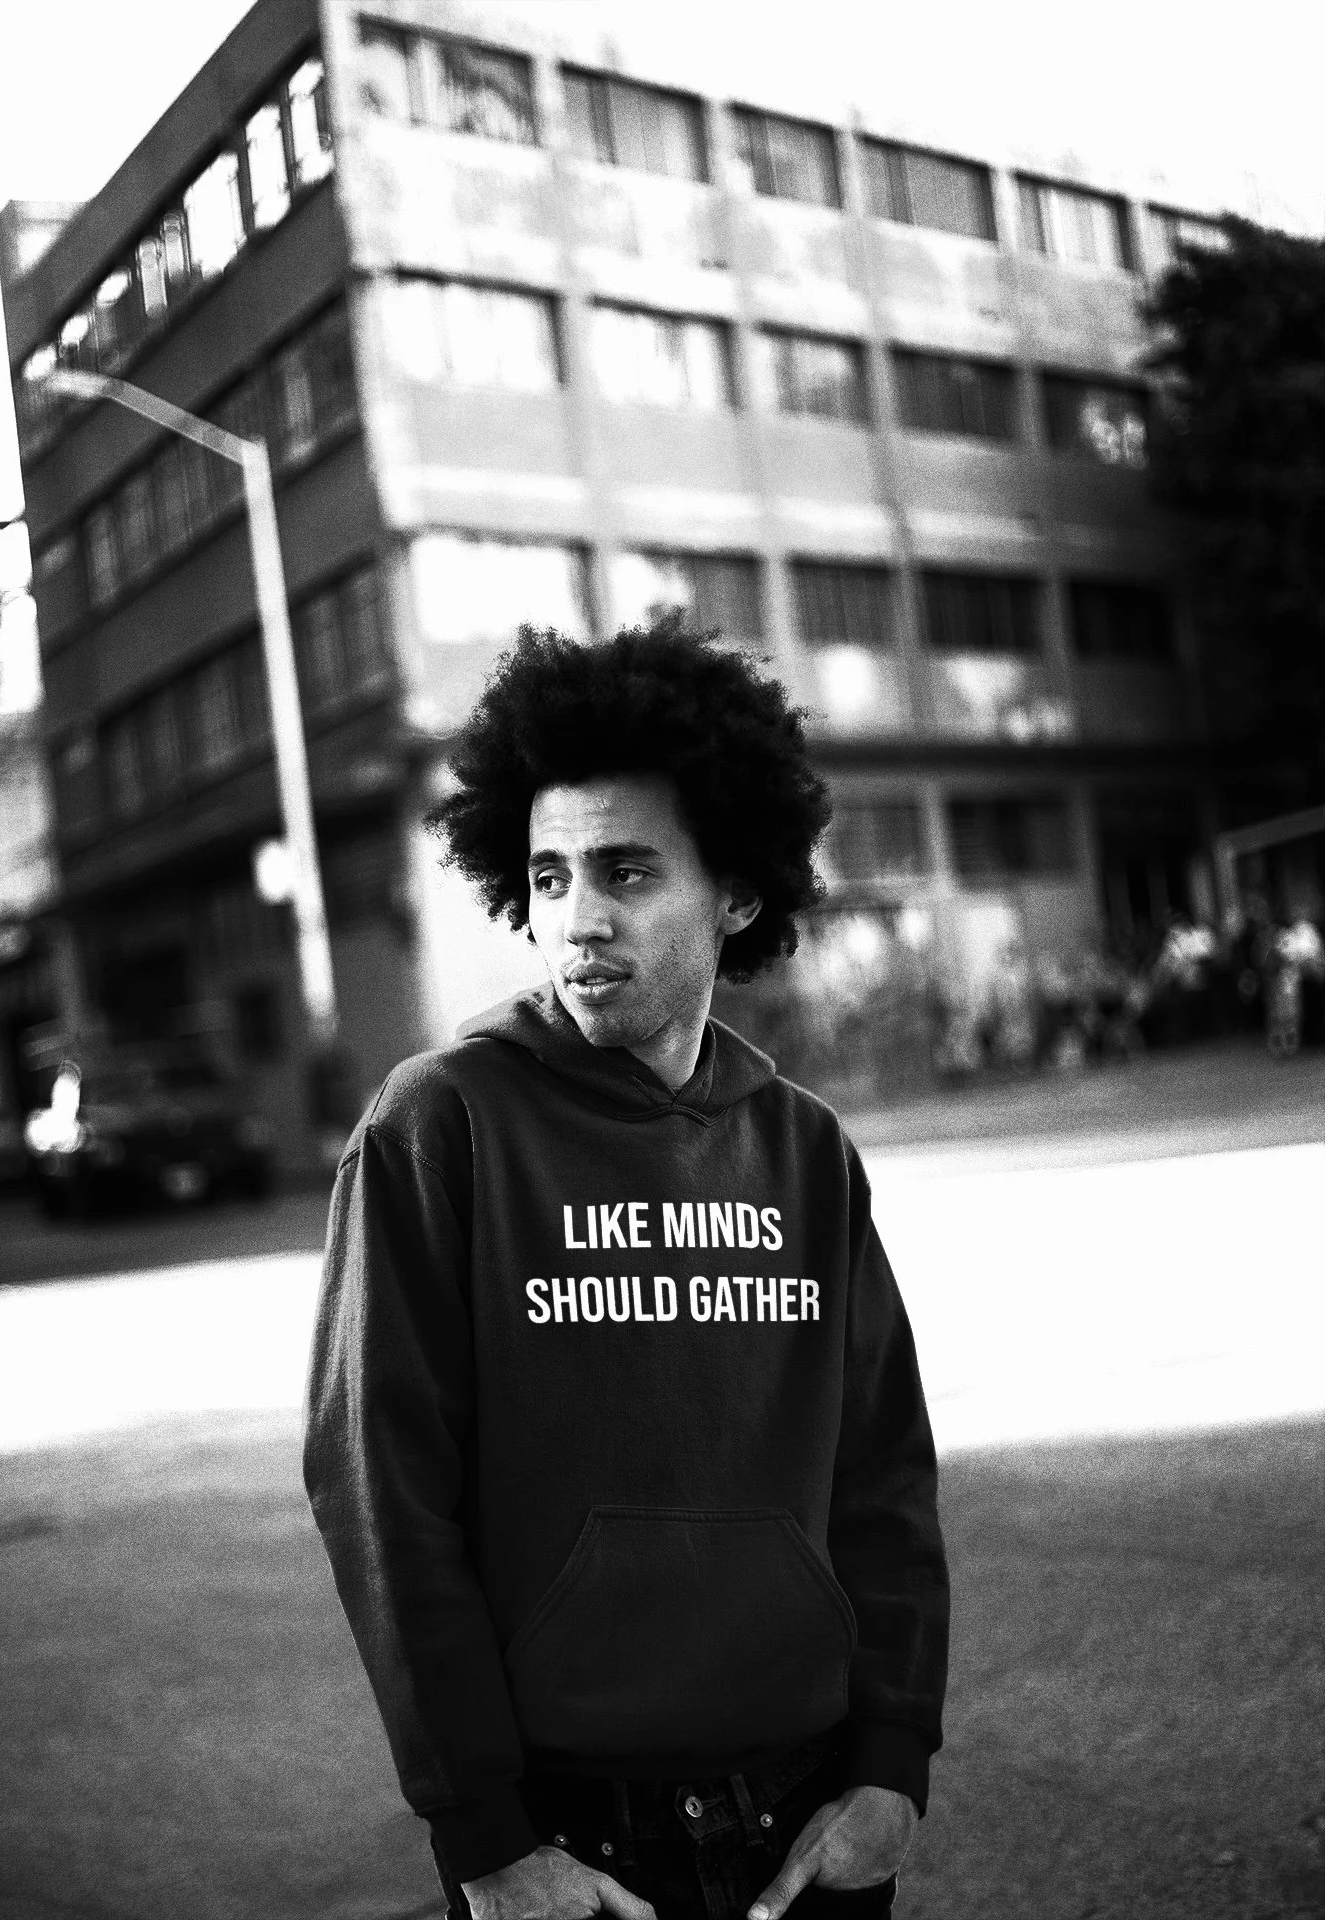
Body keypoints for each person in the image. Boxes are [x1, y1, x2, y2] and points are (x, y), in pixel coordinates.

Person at [304, 625, 950, 1920]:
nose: (577, 917)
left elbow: (883, 1479)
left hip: (811, 1809)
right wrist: (486, 1839)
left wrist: (890, 1775)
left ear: (739, 892)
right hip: (570, 1831)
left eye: (626, 870)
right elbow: (383, 1501)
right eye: (547, 875)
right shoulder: (440, 1129)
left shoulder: (806, 1151)